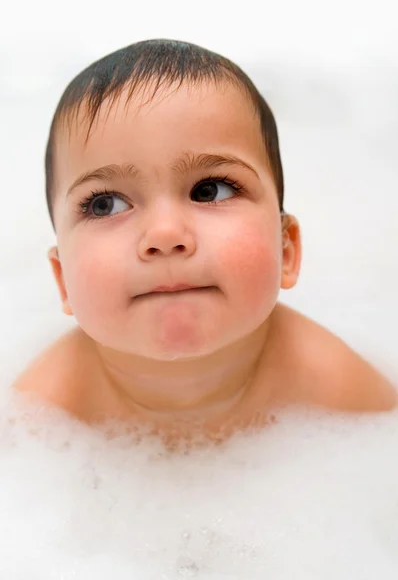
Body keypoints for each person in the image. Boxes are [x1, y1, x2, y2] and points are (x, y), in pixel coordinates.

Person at [14, 39, 397, 445]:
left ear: (287, 251)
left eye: (209, 190)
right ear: (62, 280)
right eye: (106, 205)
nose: (164, 235)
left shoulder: (338, 388)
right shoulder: (43, 414)